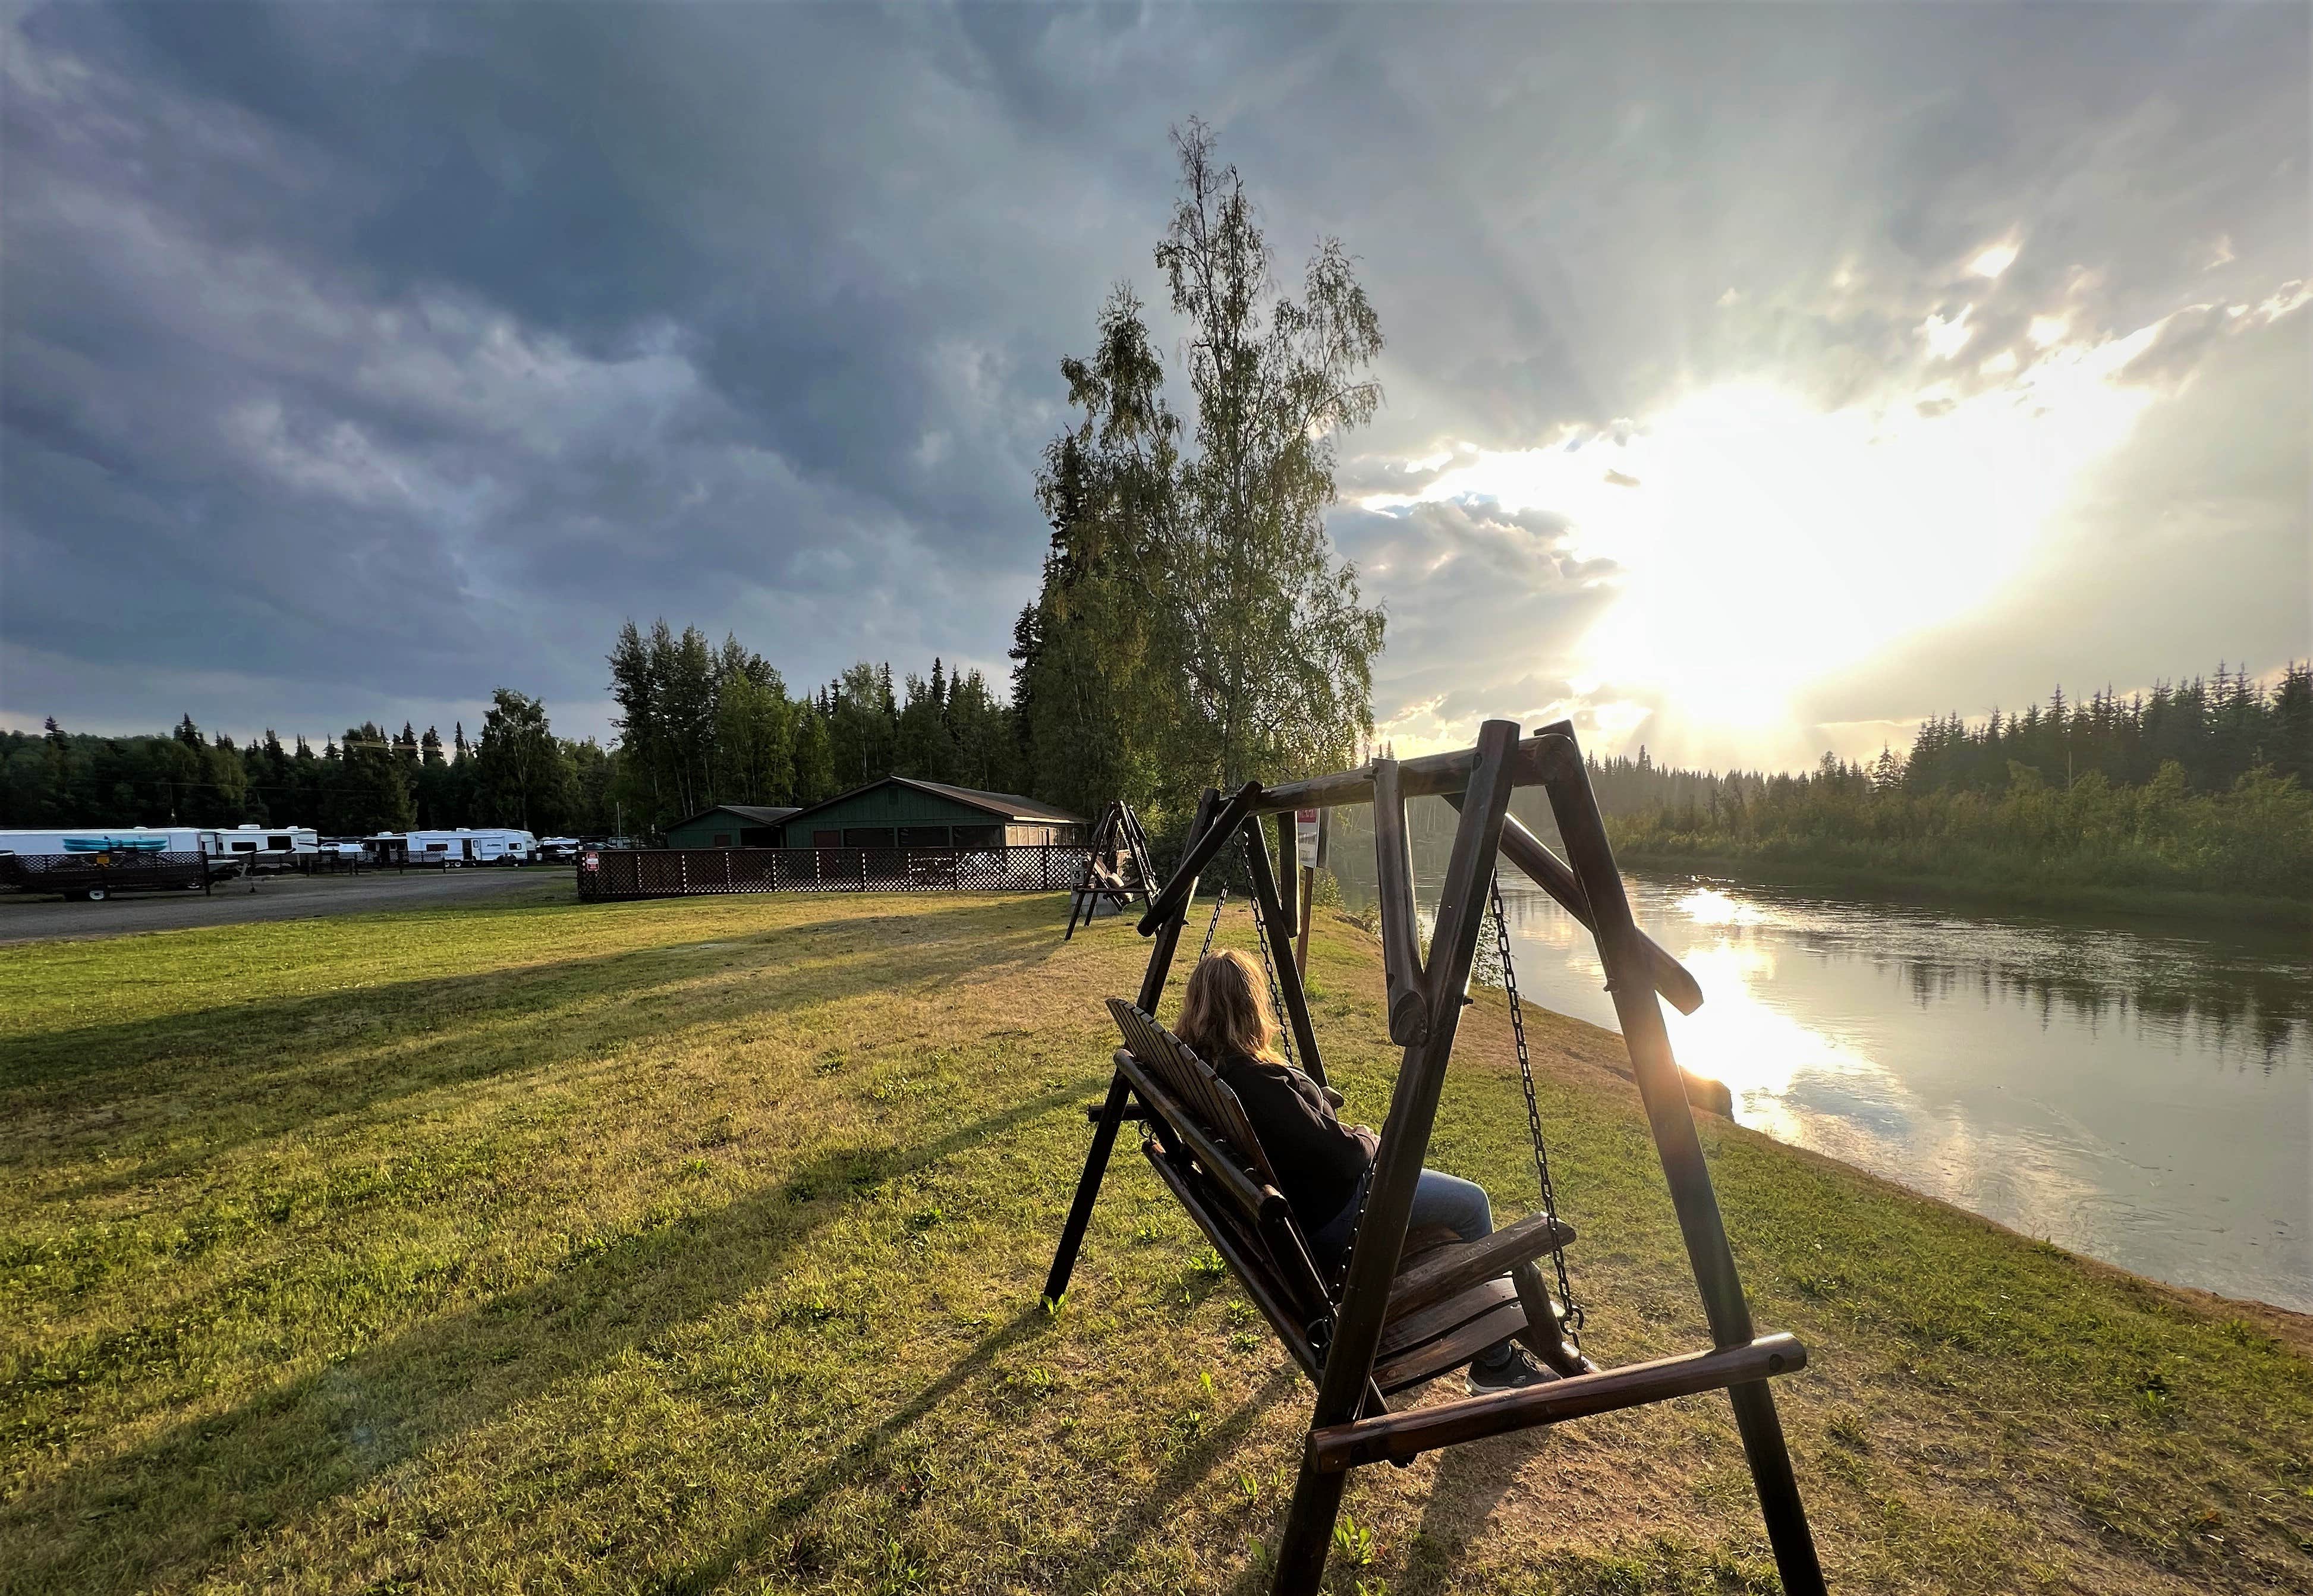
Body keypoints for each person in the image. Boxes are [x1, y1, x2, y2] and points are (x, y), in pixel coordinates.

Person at [1174, 948, 1551, 1393]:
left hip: (1298, 1214)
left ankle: (1493, 1344)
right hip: (1338, 1219)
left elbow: (1308, 1139)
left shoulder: (1208, 1070)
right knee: (1471, 1203)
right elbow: (1348, 1157)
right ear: (1250, 1005)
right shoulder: (1261, 1085)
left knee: (1446, 1195)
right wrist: (1368, 1136)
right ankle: (1496, 1362)